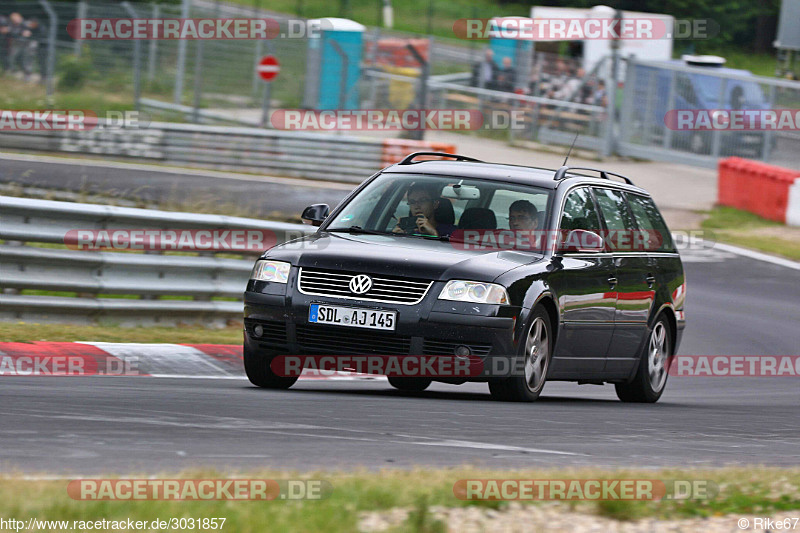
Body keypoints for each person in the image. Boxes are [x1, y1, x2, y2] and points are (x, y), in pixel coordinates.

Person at [392, 182, 457, 238]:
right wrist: (397, 237)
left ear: (435, 204)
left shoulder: (453, 233)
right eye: (412, 202)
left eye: (422, 200)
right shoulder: (406, 231)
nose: (417, 206)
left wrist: (434, 233)